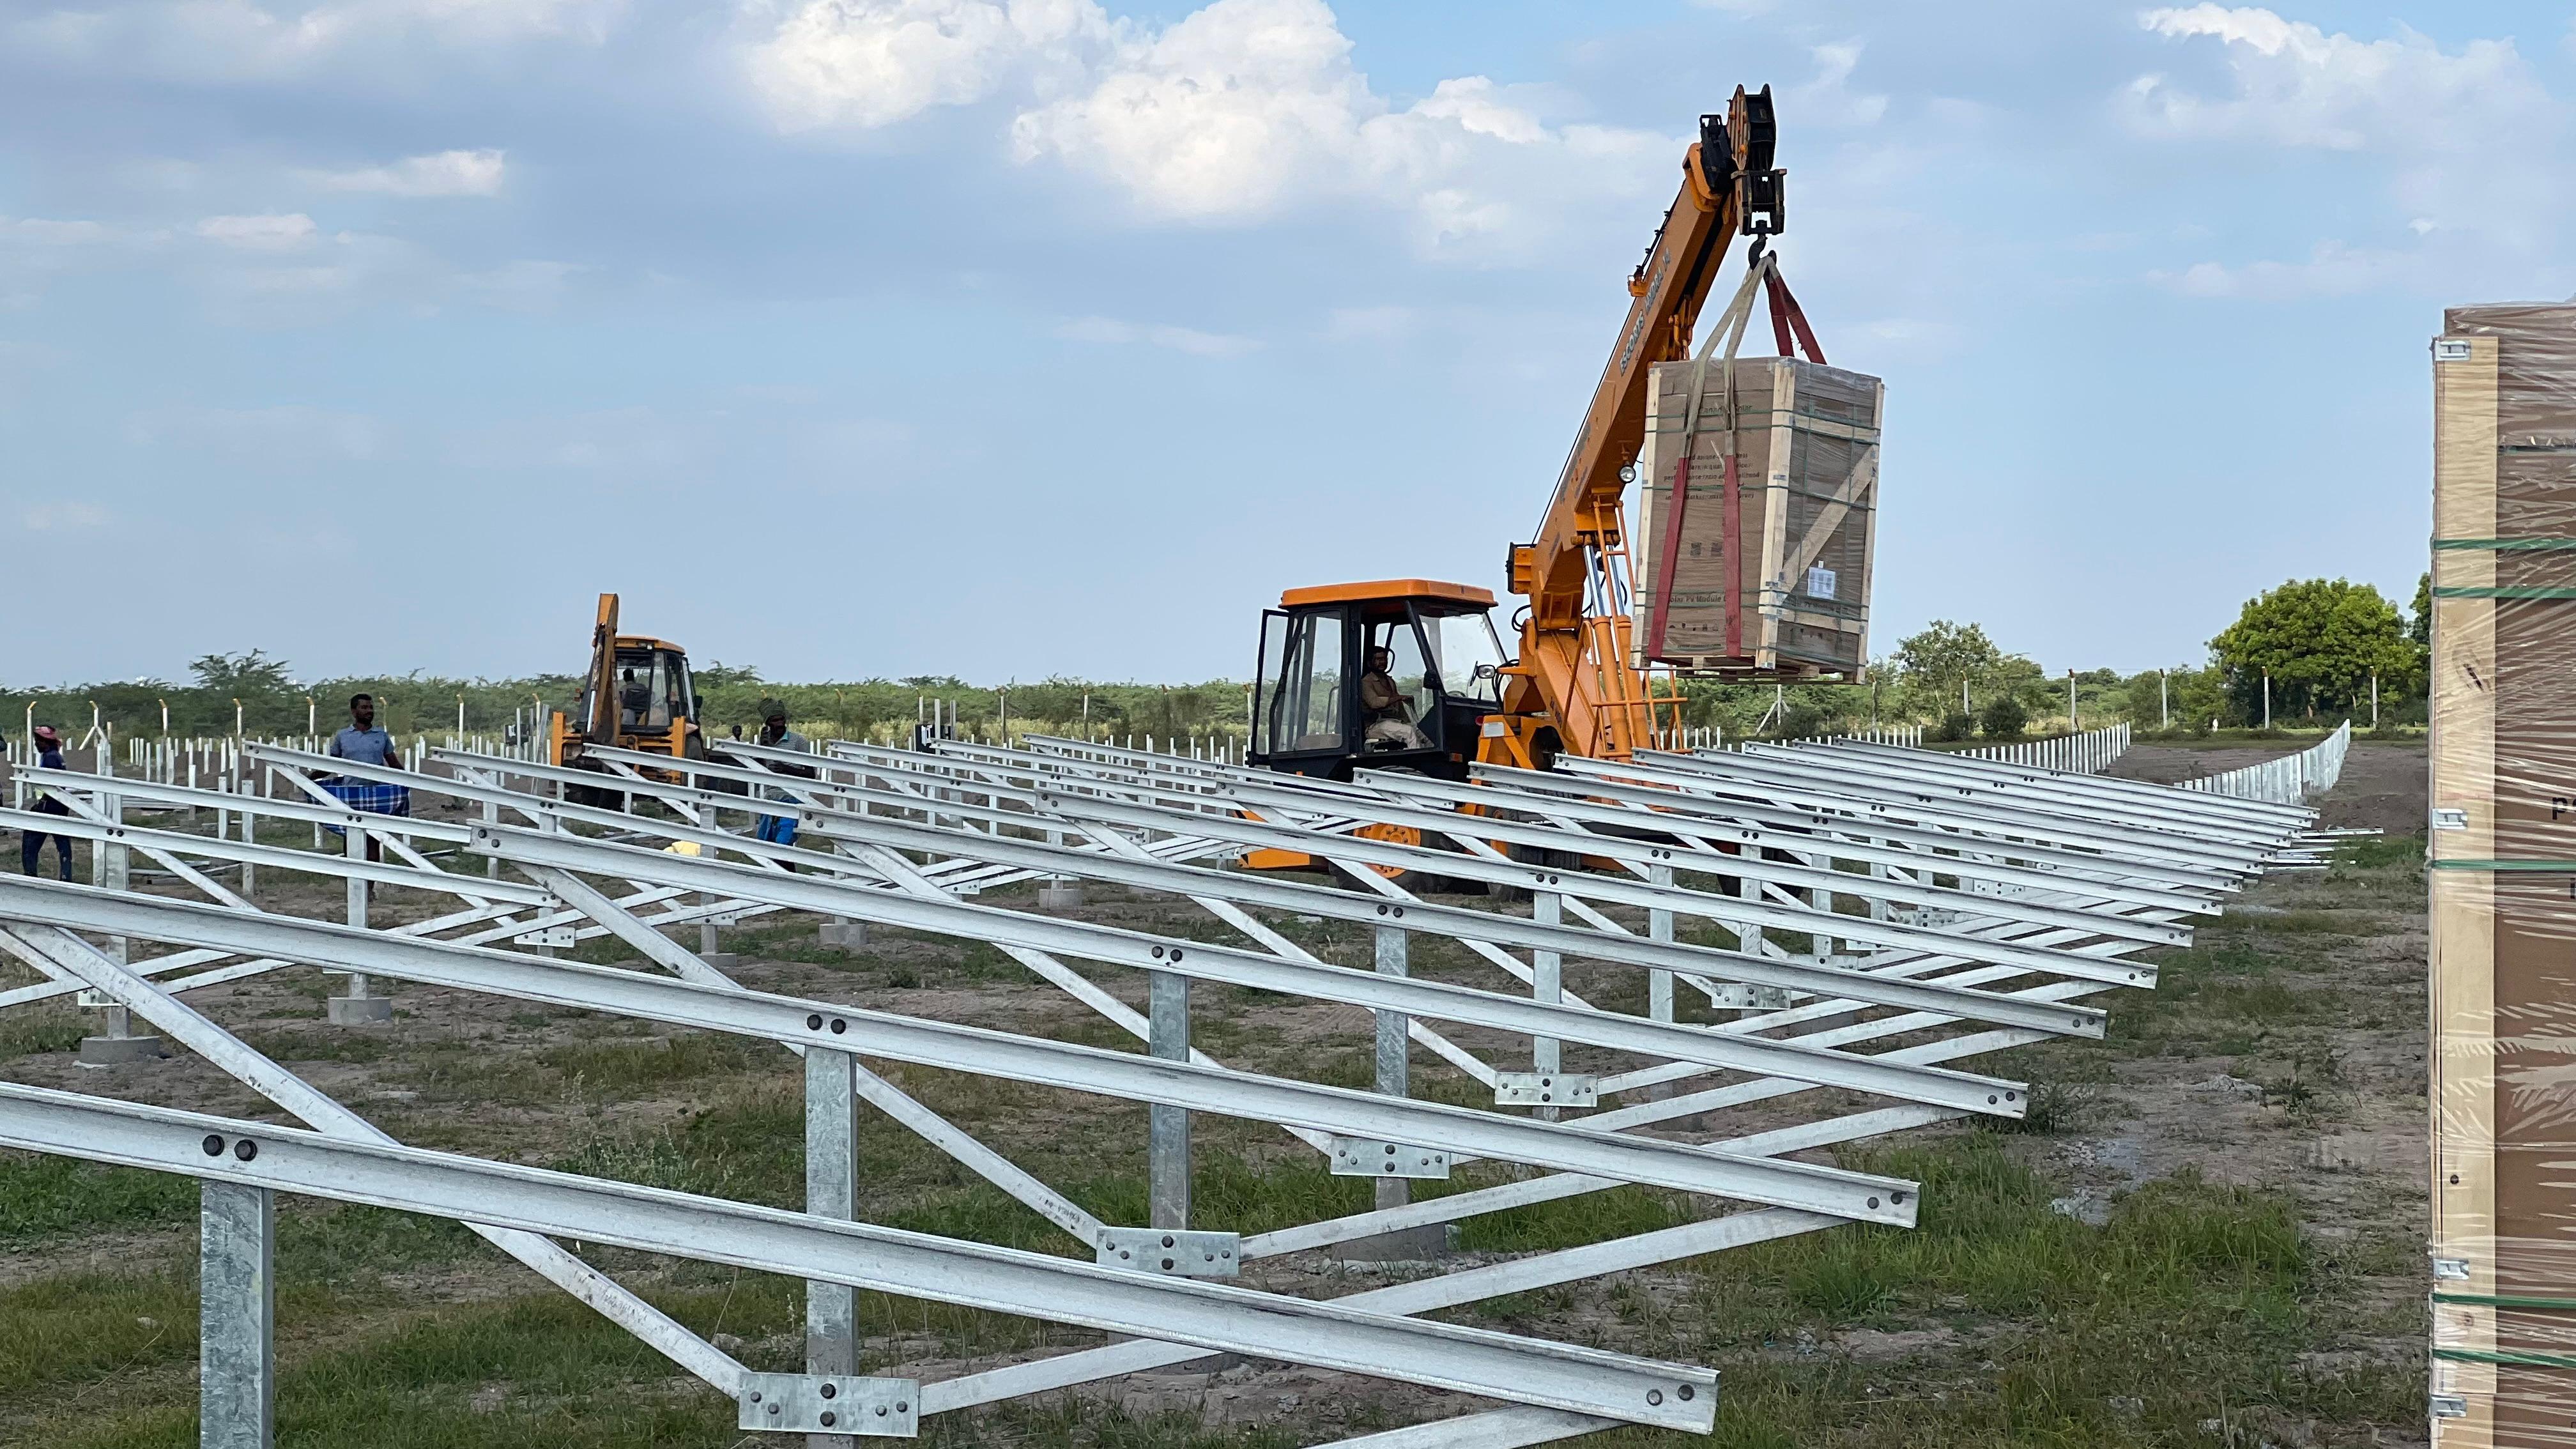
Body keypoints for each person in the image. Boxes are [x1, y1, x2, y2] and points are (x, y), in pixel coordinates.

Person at [326, 693, 410, 863]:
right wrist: (308, 779)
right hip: (350, 795)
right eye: (364, 707)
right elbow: (330, 765)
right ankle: (353, 886)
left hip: (376, 796)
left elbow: (393, 763)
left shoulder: (381, 735)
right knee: (350, 841)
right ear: (354, 711)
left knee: (373, 842)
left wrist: (409, 780)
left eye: (371, 707)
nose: (369, 711)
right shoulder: (343, 736)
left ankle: (370, 888)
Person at [752, 700, 811, 850]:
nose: (779, 724)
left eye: (781, 720)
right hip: (771, 797)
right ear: (768, 724)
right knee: (766, 844)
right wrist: (763, 749)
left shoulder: (798, 741)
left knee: (784, 843)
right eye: (774, 721)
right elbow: (757, 769)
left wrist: (787, 769)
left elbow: (811, 774)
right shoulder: (763, 742)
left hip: (792, 797)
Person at [18, 725, 73, 880]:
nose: (36, 744)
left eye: (38, 741)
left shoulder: (50, 758)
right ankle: (66, 876)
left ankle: (30, 874)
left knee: (30, 840)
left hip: (49, 806)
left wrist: (41, 805)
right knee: (62, 843)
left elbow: (50, 786)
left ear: (45, 742)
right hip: (57, 805)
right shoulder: (55, 756)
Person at [1358, 645, 1432, 751]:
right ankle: (1420, 761)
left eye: (1384, 659)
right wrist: (1399, 698)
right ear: (1370, 663)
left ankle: (1432, 760)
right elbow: (1374, 703)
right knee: (1409, 732)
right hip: (1375, 725)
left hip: (1394, 721)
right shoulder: (1366, 683)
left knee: (1424, 734)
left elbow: (1399, 708)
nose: (1383, 662)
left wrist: (1410, 722)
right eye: (1379, 659)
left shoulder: (1390, 681)